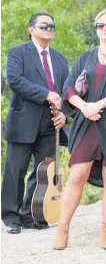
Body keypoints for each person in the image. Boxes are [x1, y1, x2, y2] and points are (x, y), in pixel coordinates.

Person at [53, 9, 106, 250]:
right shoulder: (85, 57)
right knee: (78, 174)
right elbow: (68, 88)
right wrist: (85, 107)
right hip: (87, 122)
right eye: (100, 25)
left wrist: (98, 105)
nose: (105, 29)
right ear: (96, 28)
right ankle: (63, 228)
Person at [2, 12, 69, 234]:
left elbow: (66, 91)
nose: (49, 28)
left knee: (42, 172)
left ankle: (31, 214)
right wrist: (46, 94)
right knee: (15, 170)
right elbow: (15, 81)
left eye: (52, 26)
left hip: (51, 124)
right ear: (31, 29)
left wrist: (64, 114)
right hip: (23, 121)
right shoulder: (18, 52)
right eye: (44, 25)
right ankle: (11, 217)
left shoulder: (60, 58)